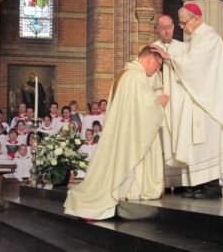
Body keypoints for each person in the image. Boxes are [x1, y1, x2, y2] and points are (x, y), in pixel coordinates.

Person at [64, 46, 169, 220]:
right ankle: (99, 206)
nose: (157, 69)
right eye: (158, 64)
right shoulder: (136, 77)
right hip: (128, 133)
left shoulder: (125, 74)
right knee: (124, 168)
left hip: (121, 130)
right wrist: (158, 105)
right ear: (149, 58)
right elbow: (144, 110)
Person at [152, 3, 223, 199]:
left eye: (184, 23)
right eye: (181, 23)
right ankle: (199, 185)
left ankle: (211, 187)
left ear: (197, 18)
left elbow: (195, 65)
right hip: (199, 98)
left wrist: (170, 58)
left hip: (208, 103)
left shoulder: (209, 37)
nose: (182, 27)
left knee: (205, 143)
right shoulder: (196, 38)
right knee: (196, 144)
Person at [152, 14, 187, 193]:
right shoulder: (151, 49)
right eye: (162, 27)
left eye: (169, 27)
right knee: (163, 142)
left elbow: (188, 73)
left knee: (179, 139)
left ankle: (181, 183)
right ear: (157, 29)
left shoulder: (183, 48)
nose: (166, 30)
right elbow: (147, 75)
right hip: (161, 101)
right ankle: (164, 183)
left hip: (179, 101)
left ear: (174, 27)